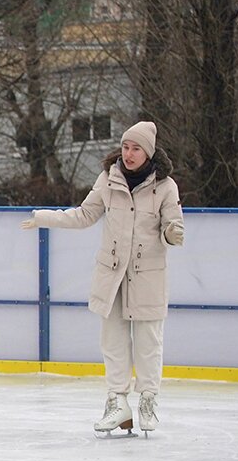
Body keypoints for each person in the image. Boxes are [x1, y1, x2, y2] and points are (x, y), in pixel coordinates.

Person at [20, 121, 185, 436]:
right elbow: (85, 215)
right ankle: (117, 403)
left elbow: (171, 225)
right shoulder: (108, 180)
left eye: (136, 148)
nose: (129, 153)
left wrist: (172, 233)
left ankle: (148, 401)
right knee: (113, 342)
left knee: (149, 343)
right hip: (112, 275)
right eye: (125, 147)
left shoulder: (165, 186)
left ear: (148, 152)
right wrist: (44, 217)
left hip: (147, 276)